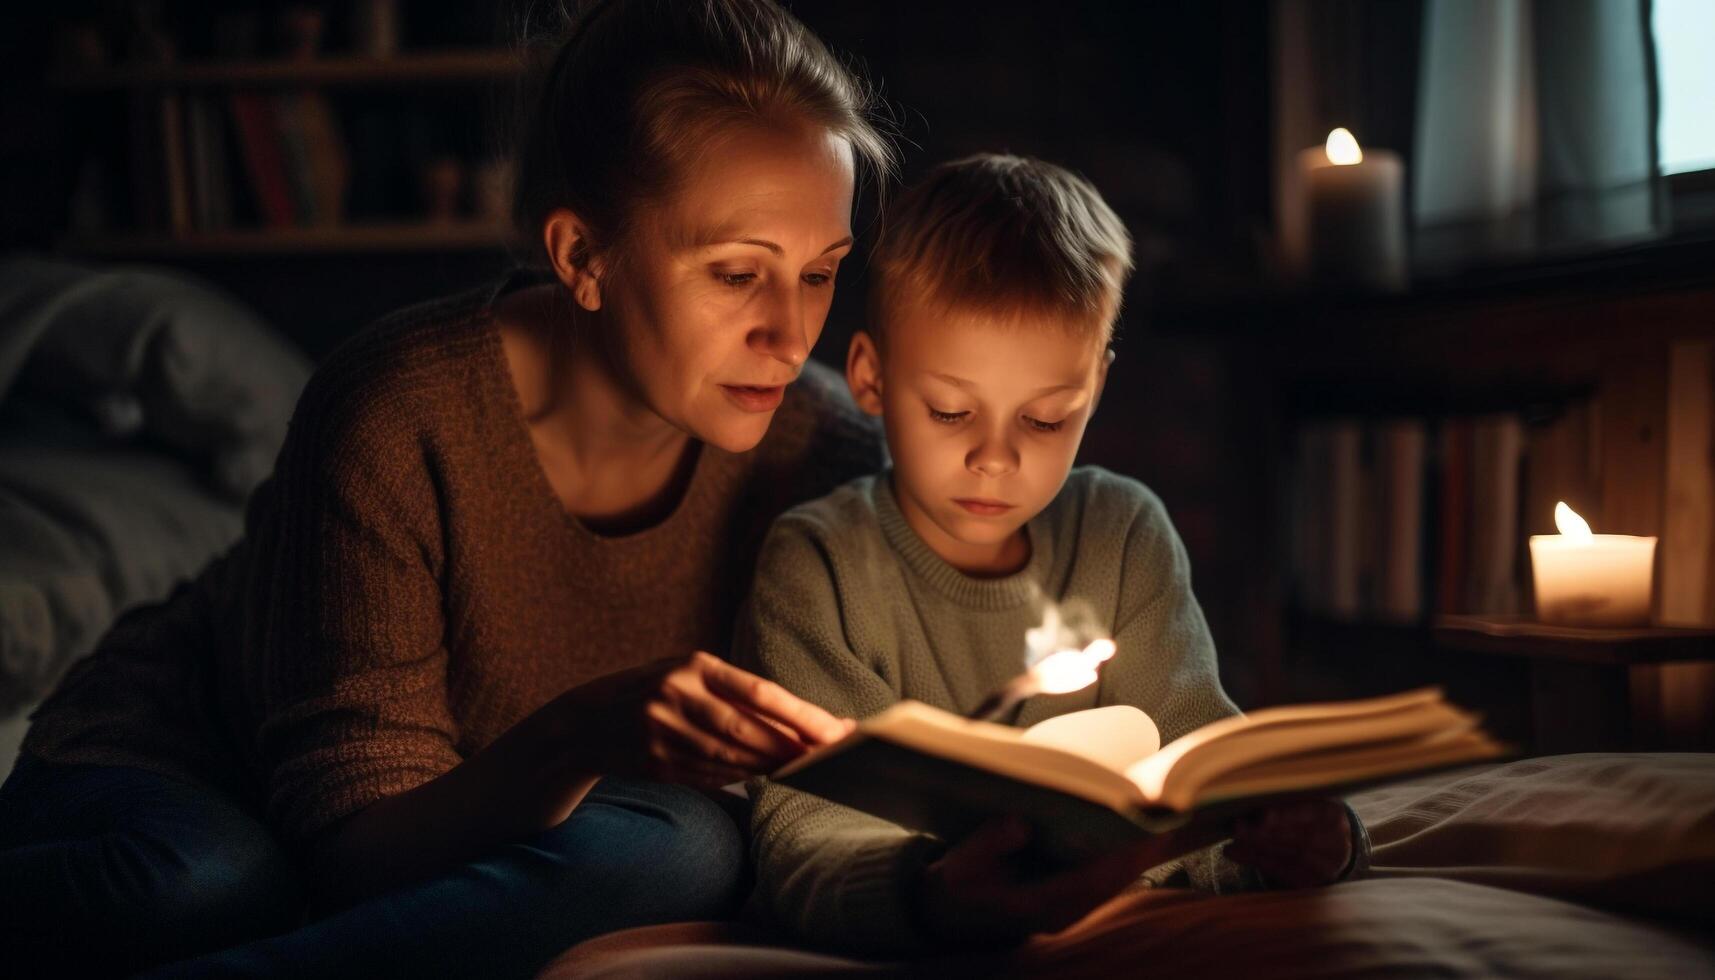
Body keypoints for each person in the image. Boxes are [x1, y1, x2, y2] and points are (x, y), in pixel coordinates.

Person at [0, 1, 896, 976]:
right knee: (212, 883)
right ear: (580, 257)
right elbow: (349, 850)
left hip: (495, 834)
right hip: (181, 765)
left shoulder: (823, 452)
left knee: (684, 846)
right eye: (734, 274)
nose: (791, 332)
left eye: (819, 272)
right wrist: (579, 733)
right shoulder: (395, 409)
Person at [741, 154, 1370, 956]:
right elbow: (808, 831)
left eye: (1044, 420)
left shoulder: (1120, 531)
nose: (995, 459)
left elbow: (1199, 757)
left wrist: (1301, 841)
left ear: (1096, 389)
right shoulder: (818, 564)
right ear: (869, 376)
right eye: (948, 410)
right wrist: (928, 899)